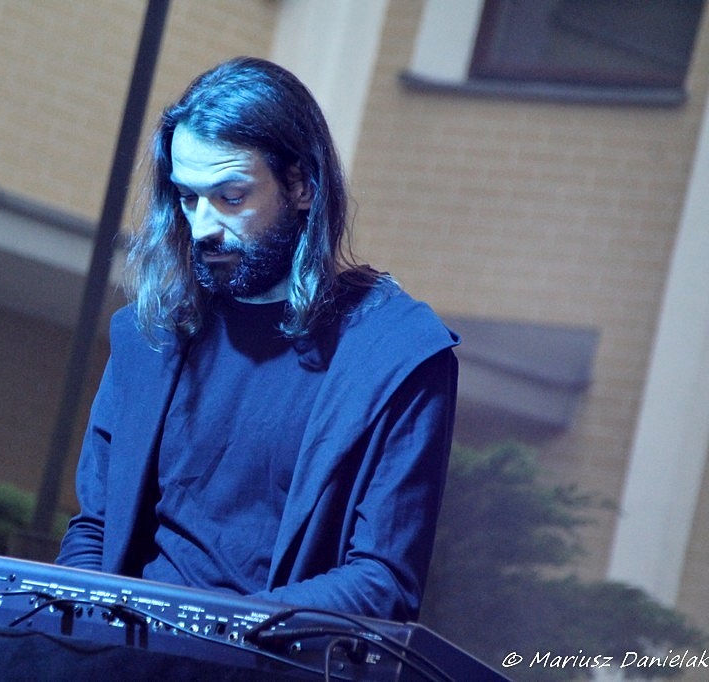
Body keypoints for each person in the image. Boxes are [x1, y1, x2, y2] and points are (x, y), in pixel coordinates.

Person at [56, 57, 459, 622]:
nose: (203, 227)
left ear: (302, 186)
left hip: (269, 657)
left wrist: (217, 631)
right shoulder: (150, 336)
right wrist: (80, 625)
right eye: (188, 198)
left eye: (231, 197)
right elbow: (95, 531)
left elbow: (381, 580)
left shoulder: (398, 352)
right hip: (126, 654)